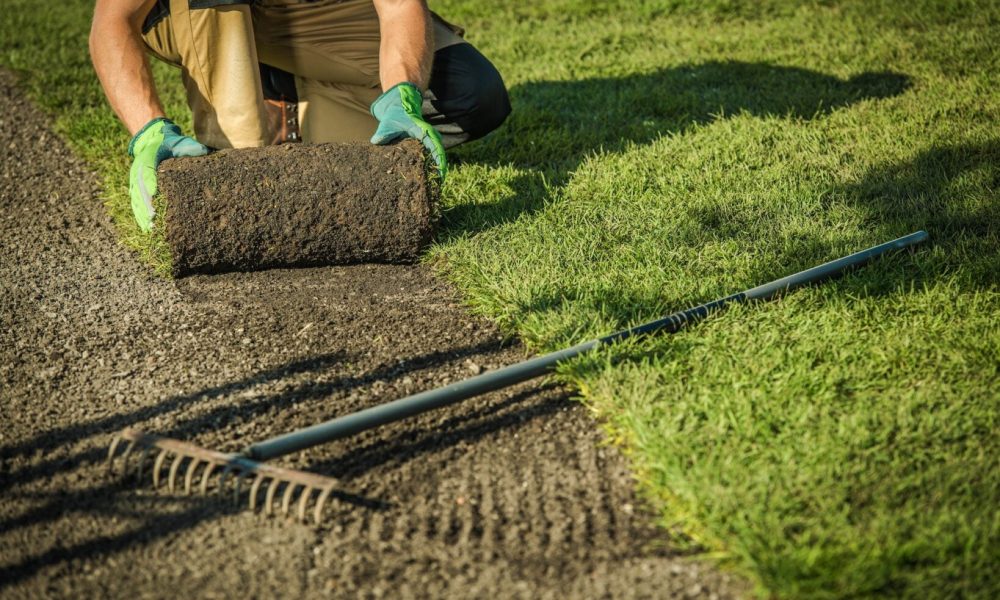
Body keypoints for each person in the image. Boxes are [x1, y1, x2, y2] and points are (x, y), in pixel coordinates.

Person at [89, 0, 511, 231]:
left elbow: (400, 5)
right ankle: (237, 136)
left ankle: (283, 96)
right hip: (198, 10)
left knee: (471, 96)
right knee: (246, 185)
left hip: (311, 10)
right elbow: (113, 20)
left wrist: (402, 95)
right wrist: (147, 130)